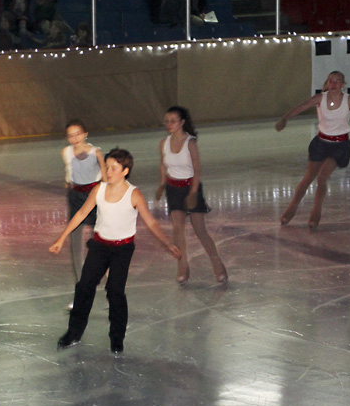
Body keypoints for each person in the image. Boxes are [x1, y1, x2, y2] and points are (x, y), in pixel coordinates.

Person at [49, 148, 181, 355]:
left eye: (113, 168)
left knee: (115, 291)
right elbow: (81, 213)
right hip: (99, 246)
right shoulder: (99, 190)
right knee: (84, 287)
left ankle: (117, 338)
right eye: (107, 167)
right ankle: (73, 333)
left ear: (125, 171)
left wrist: (167, 243)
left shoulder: (133, 194)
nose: (108, 172)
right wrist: (61, 238)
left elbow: (151, 222)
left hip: (122, 249)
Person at [275, 71, 350, 228]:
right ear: (327, 83)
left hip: (340, 146)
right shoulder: (320, 98)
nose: (334, 84)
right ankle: (291, 208)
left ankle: (316, 211)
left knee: (322, 176)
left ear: (343, 84)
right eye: (331, 81)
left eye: (338, 81)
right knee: (308, 177)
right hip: (321, 144)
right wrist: (284, 119)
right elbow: (301, 108)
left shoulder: (349, 100)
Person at [155, 106, 228, 285]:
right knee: (178, 229)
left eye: (173, 121)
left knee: (200, 229)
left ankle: (217, 263)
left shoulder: (190, 143)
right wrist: (162, 184)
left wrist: (194, 192)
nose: (169, 124)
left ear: (182, 122)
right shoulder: (164, 143)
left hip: (190, 187)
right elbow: (163, 165)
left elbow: (196, 169)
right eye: (167, 121)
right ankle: (182, 265)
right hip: (173, 189)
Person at [61, 120, 107, 280]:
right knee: (75, 239)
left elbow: (105, 177)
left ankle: (108, 274)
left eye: (78, 134)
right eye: (70, 136)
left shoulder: (96, 153)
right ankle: (80, 280)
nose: (75, 138)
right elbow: (69, 173)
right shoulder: (66, 152)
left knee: (101, 237)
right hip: (75, 197)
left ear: (85, 134)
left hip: (94, 196)